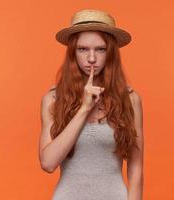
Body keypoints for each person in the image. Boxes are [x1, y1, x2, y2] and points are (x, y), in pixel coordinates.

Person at [39, 9, 144, 200]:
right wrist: (85, 109)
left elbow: (136, 168)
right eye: (83, 49)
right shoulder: (53, 99)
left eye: (100, 49)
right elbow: (48, 163)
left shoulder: (130, 99)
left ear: (111, 52)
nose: (92, 58)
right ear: (73, 53)